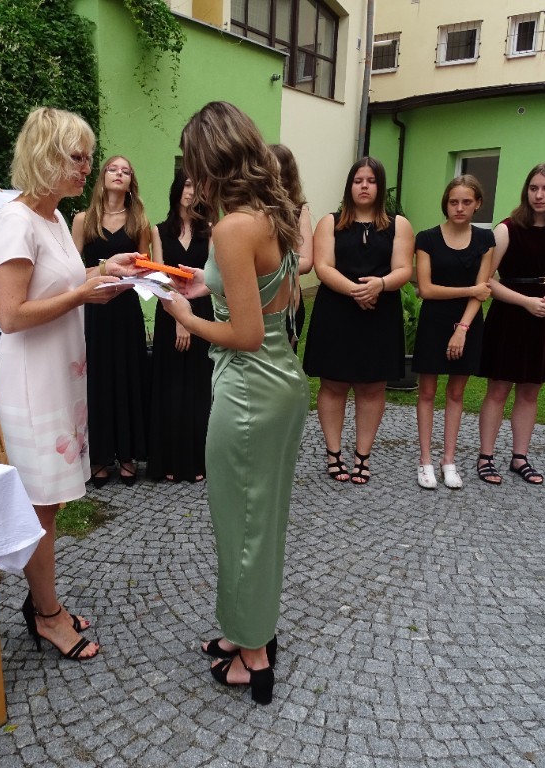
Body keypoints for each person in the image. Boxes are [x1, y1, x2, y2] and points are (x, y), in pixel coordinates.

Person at [163, 101, 308, 705]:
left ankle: (254, 658)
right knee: (259, 523)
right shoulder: (272, 212)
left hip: (249, 390)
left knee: (242, 525)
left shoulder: (230, 228)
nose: (190, 176)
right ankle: (246, 629)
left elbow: (245, 334)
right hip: (280, 383)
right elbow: (265, 294)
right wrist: (199, 284)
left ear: (213, 160)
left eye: (193, 163)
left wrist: (183, 315)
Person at [0, 106, 142, 661]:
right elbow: (10, 315)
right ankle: (47, 615)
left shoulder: (53, 219)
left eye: (89, 158)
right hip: (33, 384)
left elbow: (62, 282)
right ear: (46, 156)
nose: (86, 168)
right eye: (77, 157)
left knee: (49, 502)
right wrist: (82, 293)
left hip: (60, 378)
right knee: (41, 505)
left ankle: (42, 603)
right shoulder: (16, 221)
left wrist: (107, 269)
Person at [303, 157, 414, 484]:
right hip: (337, 312)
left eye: (371, 181)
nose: (364, 186)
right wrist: (357, 291)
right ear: (349, 186)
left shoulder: (399, 225)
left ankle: (362, 456)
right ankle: (333, 453)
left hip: (380, 313)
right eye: (358, 180)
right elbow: (323, 267)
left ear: (380, 186)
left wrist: (380, 284)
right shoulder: (331, 222)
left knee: (372, 386)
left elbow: (404, 269)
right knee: (333, 384)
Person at [477, 162, 545, 485]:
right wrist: (526, 302)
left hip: (543, 318)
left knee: (530, 392)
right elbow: (486, 281)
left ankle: (519, 457)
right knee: (498, 389)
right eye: (534, 188)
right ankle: (486, 456)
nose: (539, 195)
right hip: (509, 315)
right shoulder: (507, 229)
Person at [72, 155, 151, 487]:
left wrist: (133, 277)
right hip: (94, 309)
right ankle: (99, 456)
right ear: (102, 176)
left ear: (131, 182)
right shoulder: (83, 220)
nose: (119, 174)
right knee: (98, 380)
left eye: (126, 171)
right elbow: (71, 271)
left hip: (126, 308)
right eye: (113, 169)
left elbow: (145, 268)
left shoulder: (139, 222)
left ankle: (128, 455)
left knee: (128, 377)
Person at [411, 176, 494, 490]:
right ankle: (425, 460)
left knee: (456, 393)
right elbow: (426, 289)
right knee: (427, 392)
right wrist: (471, 289)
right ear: (445, 204)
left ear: (477, 204)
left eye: (466, 202)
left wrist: (462, 329)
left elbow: (481, 293)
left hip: (468, 322)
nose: (459, 208)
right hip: (434, 321)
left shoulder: (485, 239)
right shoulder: (427, 238)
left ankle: (448, 460)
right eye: (453, 202)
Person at [146, 170, 213, 482]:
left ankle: (198, 461)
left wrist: (190, 320)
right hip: (169, 311)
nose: (191, 191)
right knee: (170, 388)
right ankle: (169, 461)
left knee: (199, 387)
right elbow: (160, 279)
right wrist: (179, 320)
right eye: (187, 185)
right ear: (176, 189)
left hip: (201, 311)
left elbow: (214, 276)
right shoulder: (159, 231)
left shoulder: (210, 231)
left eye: (197, 186)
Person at [269, 144, 314, 349]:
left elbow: (306, 261)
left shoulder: (299, 210)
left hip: (287, 299)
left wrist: (270, 264)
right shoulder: (251, 209)